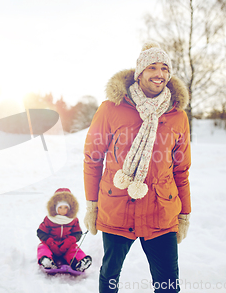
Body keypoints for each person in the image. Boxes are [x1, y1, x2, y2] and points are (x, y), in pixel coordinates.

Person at [83, 41, 191, 292]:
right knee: (110, 276)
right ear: (139, 73)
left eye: (165, 68)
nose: (159, 74)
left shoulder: (177, 116)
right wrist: (92, 205)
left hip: (161, 211)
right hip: (117, 207)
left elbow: (181, 170)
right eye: (152, 67)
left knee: (168, 284)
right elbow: (93, 158)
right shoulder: (111, 108)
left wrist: (184, 214)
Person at [37, 188, 92, 272]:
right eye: (60, 207)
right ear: (55, 207)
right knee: (42, 247)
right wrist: (50, 242)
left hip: (66, 246)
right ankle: (46, 260)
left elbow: (77, 233)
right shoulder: (49, 219)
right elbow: (41, 232)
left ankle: (79, 262)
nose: (63, 210)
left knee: (74, 249)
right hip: (51, 245)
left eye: (65, 207)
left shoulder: (73, 220)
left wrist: (70, 241)